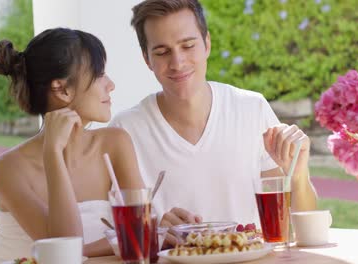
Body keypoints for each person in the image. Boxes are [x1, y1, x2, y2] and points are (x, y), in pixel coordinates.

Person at [110, 0, 317, 244]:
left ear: (207, 44)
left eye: (188, 46)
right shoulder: (124, 131)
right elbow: (116, 236)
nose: (178, 63)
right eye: (162, 52)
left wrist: (298, 176)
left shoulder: (251, 109)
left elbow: (301, 226)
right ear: (147, 59)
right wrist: (155, 231)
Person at [0, 28, 144, 262]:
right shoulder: (7, 169)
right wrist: (53, 153)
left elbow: (140, 234)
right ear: (61, 89)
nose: (110, 84)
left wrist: (87, 250)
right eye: (99, 74)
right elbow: (64, 253)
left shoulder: (115, 143)